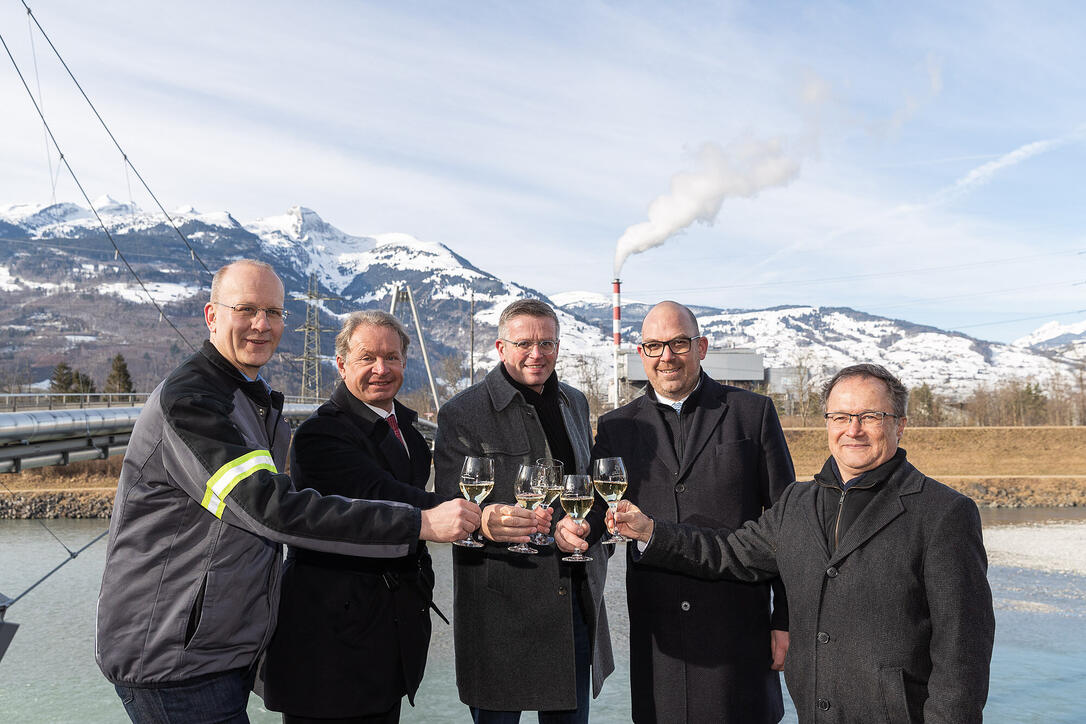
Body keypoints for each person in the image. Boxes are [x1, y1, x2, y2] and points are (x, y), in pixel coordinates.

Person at [96, 260, 480, 724]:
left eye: (274, 312)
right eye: (247, 309)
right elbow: (269, 508)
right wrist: (420, 522)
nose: (262, 324)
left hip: (219, 644)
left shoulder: (252, 399)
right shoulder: (194, 401)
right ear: (212, 316)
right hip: (174, 653)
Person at [614, 363, 995, 723]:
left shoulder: (943, 513)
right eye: (841, 417)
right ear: (828, 423)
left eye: (870, 417)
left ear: (900, 425)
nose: (854, 430)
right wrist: (651, 532)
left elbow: (963, 653)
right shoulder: (797, 503)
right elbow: (728, 552)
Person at [592, 300, 793, 723]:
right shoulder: (615, 427)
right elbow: (597, 515)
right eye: (654, 346)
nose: (667, 356)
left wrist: (786, 619)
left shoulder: (752, 414)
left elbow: (787, 526)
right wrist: (569, 531)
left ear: (701, 347)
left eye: (678, 343)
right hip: (661, 641)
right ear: (641, 354)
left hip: (738, 631)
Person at [434, 298, 614, 723]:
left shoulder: (576, 401)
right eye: (524, 343)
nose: (537, 354)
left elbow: (584, 487)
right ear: (500, 347)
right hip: (499, 611)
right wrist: (487, 524)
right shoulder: (462, 412)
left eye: (547, 343)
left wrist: (583, 528)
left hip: (571, 596)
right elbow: (447, 507)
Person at [263, 310, 448, 723]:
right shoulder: (319, 435)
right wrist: (470, 514)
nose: (382, 369)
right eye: (367, 358)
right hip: (330, 653)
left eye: (393, 357)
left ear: (405, 362)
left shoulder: (411, 434)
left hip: (386, 644)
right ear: (342, 365)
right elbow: (381, 497)